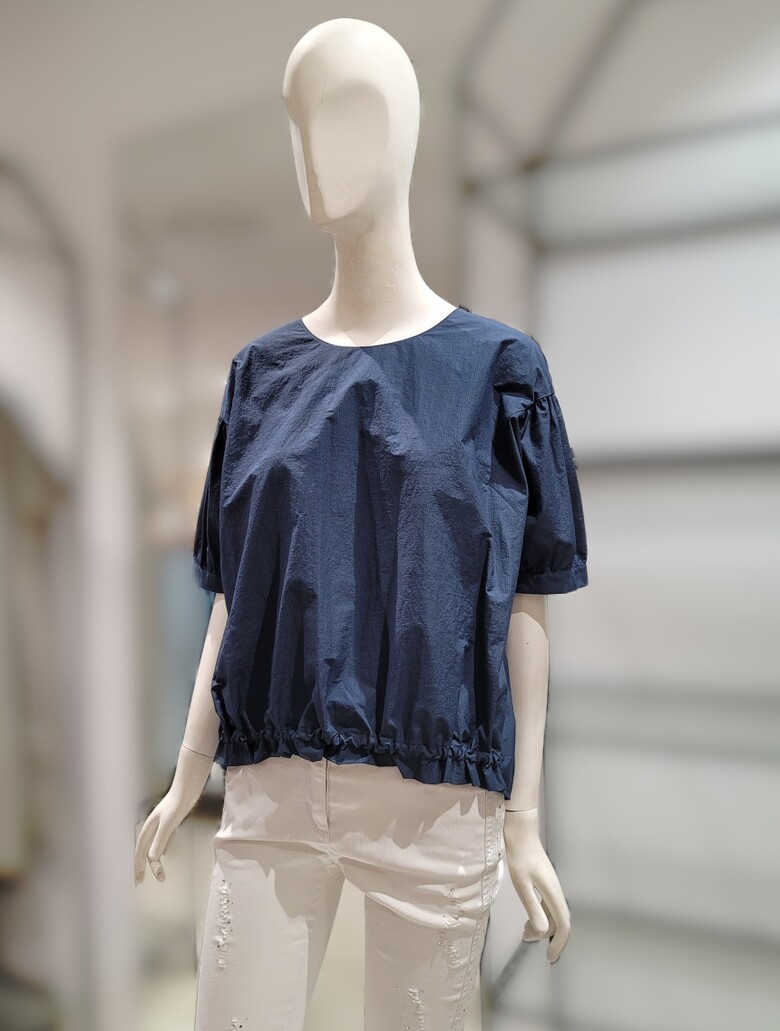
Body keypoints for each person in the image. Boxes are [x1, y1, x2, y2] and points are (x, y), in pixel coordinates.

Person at [134, 18, 588, 1031]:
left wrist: (524, 817)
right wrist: (188, 769)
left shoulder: (499, 369)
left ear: (407, 132)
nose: (314, 151)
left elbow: (527, 602)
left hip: (437, 799)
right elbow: (234, 594)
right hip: (267, 788)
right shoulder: (259, 375)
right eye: (298, 121)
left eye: (346, 113)